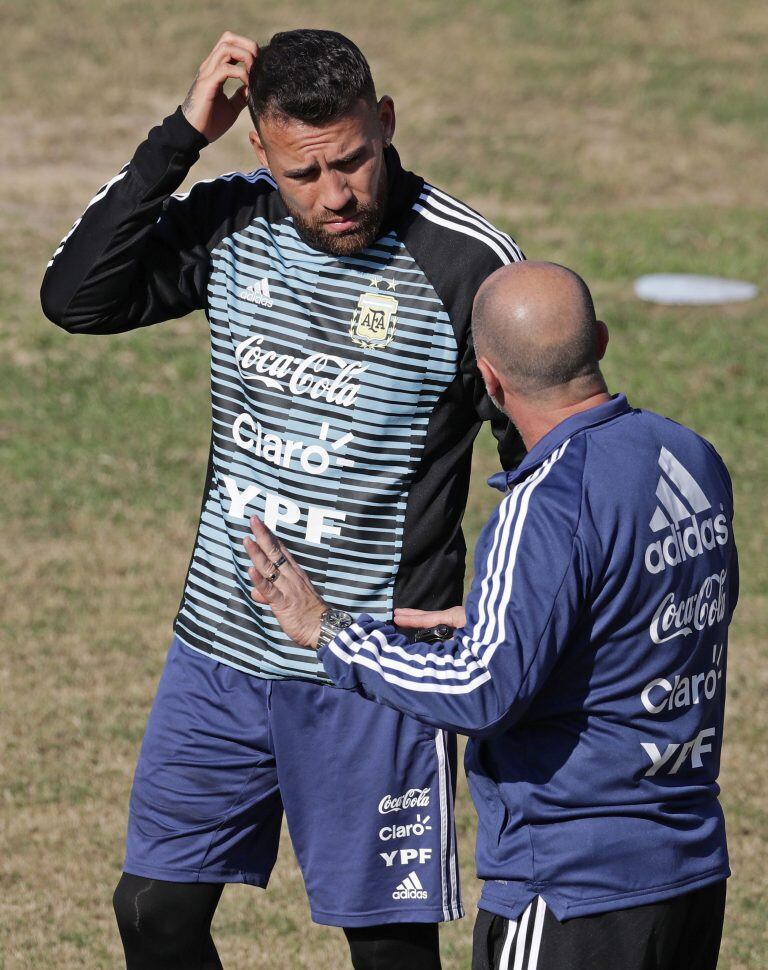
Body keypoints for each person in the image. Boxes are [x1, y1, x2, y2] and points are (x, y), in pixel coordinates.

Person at [40, 28, 526, 970]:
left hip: (372, 669)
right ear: (257, 148)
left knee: (388, 948)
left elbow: (542, 460)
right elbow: (77, 298)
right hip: (219, 652)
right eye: (304, 173)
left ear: (385, 124)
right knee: (154, 913)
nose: (336, 194)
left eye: (353, 160)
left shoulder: (469, 266)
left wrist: (503, 609)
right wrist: (182, 136)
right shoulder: (232, 222)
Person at [244, 261, 738, 970]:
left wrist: (331, 633)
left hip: (573, 887)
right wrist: (519, 618)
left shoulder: (544, 505)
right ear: (599, 340)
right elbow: (665, 610)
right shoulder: (689, 455)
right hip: (688, 873)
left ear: (491, 380)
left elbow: (480, 691)